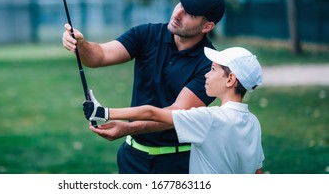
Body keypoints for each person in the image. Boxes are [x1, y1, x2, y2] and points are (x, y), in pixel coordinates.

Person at [63, 0, 225, 174]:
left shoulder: (211, 65)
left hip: (178, 162)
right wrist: (81, 44)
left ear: (207, 26)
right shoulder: (146, 34)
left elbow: (174, 116)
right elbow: (100, 56)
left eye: (190, 13)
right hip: (132, 157)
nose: (178, 13)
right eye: (180, 4)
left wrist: (128, 128)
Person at [83, 46, 265, 174]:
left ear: (230, 79)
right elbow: (257, 170)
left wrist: (103, 112)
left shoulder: (209, 119)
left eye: (213, 69)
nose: (206, 75)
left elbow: (151, 113)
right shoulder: (254, 123)